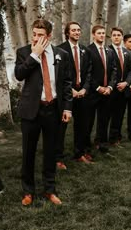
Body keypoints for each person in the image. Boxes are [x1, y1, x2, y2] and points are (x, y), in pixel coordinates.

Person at [14, 19, 72, 206]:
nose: (36, 38)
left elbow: (66, 83)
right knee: (28, 153)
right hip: (31, 110)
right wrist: (34, 55)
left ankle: (50, 189)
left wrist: (67, 108)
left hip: (53, 109)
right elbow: (19, 74)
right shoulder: (24, 52)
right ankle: (28, 191)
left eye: (40, 35)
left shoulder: (61, 54)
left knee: (50, 152)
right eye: (34, 34)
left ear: (49, 36)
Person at [56, 21, 92, 168]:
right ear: (67, 33)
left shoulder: (85, 50)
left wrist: (84, 89)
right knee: (61, 126)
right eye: (74, 30)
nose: (77, 32)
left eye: (78, 30)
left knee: (82, 125)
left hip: (82, 93)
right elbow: (59, 74)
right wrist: (71, 90)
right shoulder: (59, 50)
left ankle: (79, 153)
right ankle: (58, 158)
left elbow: (89, 72)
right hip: (67, 94)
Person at [86, 25, 117, 154]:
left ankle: (101, 143)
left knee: (104, 120)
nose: (102, 35)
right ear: (93, 35)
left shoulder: (109, 51)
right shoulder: (88, 50)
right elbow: (87, 73)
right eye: (99, 33)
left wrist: (110, 86)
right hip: (93, 92)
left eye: (103, 33)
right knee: (89, 121)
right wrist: (98, 88)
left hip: (107, 92)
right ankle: (86, 146)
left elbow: (114, 70)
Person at [108, 27, 131, 145]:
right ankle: (102, 138)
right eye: (114, 35)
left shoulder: (127, 52)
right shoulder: (107, 51)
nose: (116, 37)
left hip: (123, 89)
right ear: (111, 37)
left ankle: (115, 137)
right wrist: (112, 85)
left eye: (119, 35)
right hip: (111, 88)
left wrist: (126, 83)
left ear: (121, 37)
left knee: (119, 114)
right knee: (107, 116)